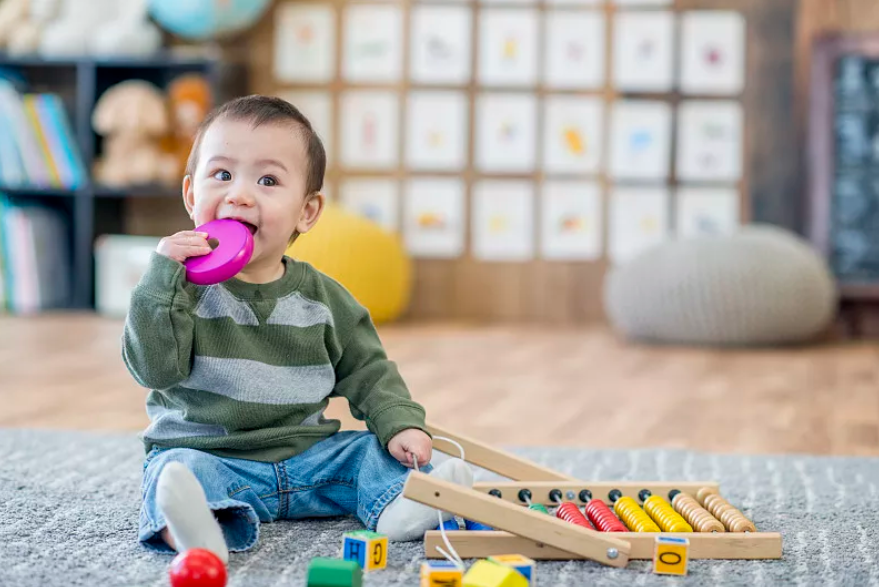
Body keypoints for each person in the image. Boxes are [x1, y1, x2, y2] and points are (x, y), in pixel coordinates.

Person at [123, 94, 472, 563]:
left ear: (306, 212)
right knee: (176, 470)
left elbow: (369, 371)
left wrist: (399, 424)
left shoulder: (325, 299)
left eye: (267, 180)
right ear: (191, 196)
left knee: (369, 454)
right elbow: (155, 370)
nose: (239, 194)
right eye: (222, 175)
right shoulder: (176, 291)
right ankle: (197, 532)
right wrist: (160, 280)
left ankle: (405, 503)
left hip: (310, 460)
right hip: (214, 454)